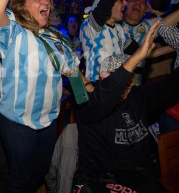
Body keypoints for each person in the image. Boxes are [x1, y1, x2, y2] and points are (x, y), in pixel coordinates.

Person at [0, 0, 79, 192]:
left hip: (48, 121)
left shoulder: (55, 37)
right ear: (21, 7)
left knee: (39, 173)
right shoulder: (14, 32)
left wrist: (86, 96)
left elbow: (72, 70)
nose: (45, 2)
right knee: (19, 177)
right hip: (18, 123)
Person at [73, 20, 176, 193]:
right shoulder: (87, 100)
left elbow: (170, 86)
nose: (124, 87)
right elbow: (102, 94)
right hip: (101, 181)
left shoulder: (138, 95)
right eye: (116, 79)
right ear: (103, 80)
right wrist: (136, 57)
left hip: (141, 179)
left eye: (127, 83)